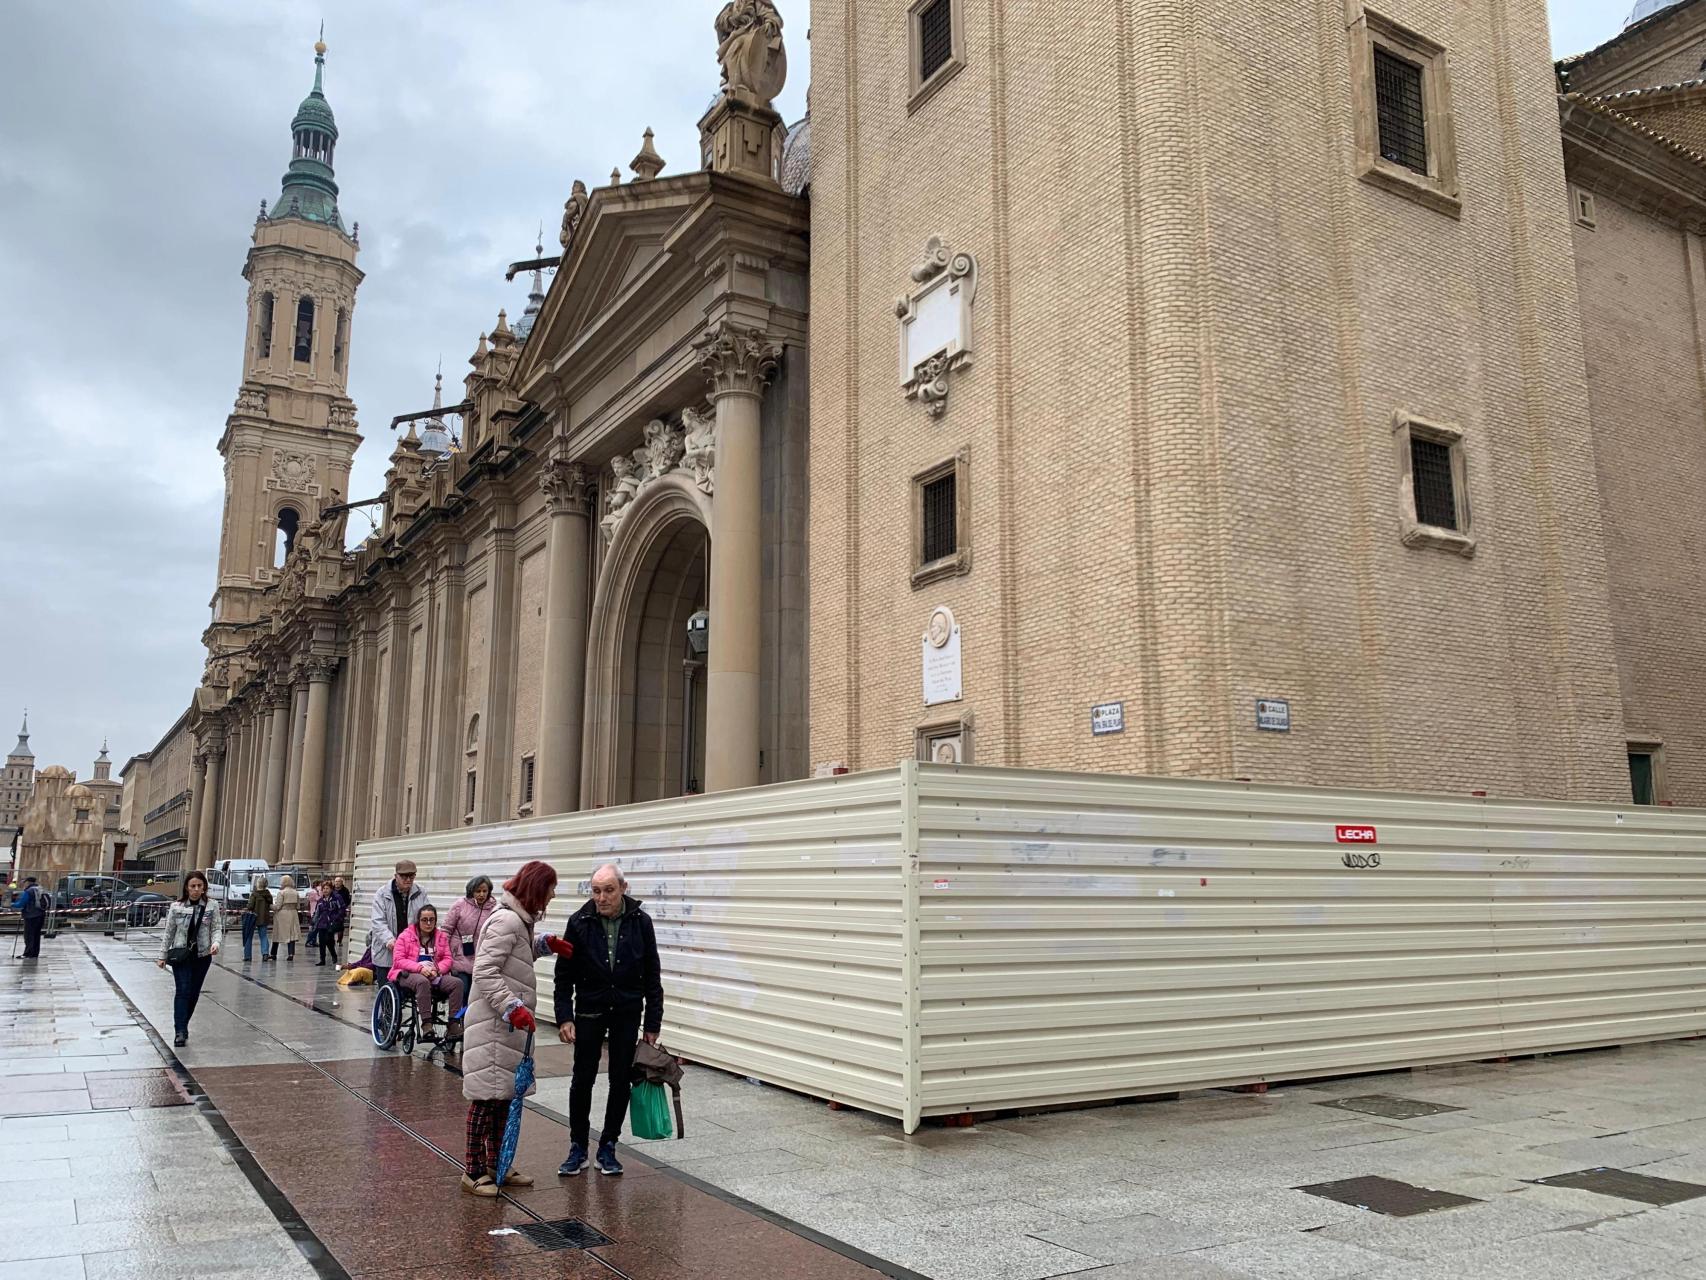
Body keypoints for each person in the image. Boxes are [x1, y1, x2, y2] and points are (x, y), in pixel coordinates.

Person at [461, 861, 573, 1197]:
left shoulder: (518, 920)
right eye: (549, 891)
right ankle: (472, 1171)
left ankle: (499, 1163)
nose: (551, 897)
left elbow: (514, 957)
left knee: (502, 1100)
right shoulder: (507, 920)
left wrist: (543, 945)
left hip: (506, 1030)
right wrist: (513, 1007)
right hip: (494, 1028)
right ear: (536, 890)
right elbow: (485, 971)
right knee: (484, 1101)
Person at [553, 863, 664, 1178]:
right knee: (582, 1078)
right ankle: (577, 1146)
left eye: (609, 890)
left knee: (620, 1079)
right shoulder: (579, 922)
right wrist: (564, 1017)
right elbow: (564, 976)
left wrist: (652, 1023)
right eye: (596, 891)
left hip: (627, 1011)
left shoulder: (641, 922)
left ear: (623, 888)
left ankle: (608, 1145)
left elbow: (652, 974)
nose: (602, 897)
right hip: (589, 1010)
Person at [157, 871, 222, 1046]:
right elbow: (169, 932)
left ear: (204, 888)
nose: (196, 889)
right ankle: (179, 1030)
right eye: (193, 886)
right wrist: (162, 955)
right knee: (183, 991)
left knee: (193, 993)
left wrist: (215, 943)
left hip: (202, 955)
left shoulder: (212, 906)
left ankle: (183, 1024)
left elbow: (216, 928)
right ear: (187, 887)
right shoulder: (176, 906)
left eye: (199, 886)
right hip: (181, 955)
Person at [389, 904, 463, 1035]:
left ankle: (453, 1023)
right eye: (424, 920)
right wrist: (419, 968)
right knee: (422, 982)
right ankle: (427, 1024)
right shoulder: (405, 936)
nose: (428, 923)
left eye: (432, 919)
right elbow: (398, 960)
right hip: (409, 974)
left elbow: (447, 958)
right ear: (418, 920)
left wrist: (437, 969)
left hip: (434, 974)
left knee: (457, 983)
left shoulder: (441, 937)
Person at [442, 875, 498, 1037]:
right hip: (459, 957)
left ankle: (468, 1025)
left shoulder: (494, 909)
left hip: (480, 959)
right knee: (463, 990)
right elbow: (446, 930)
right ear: (471, 891)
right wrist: (445, 954)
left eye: (484, 891)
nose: (481, 894)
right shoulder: (459, 905)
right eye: (478, 891)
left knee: (475, 998)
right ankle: (454, 1023)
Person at [369, 860, 427, 982]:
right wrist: (389, 940)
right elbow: (378, 921)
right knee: (387, 988)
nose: (408, 880)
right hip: (387, 951)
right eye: (404, 876)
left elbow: (426, 916)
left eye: (412, 876)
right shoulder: (382, 894)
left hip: (411, 950)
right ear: (396, 876)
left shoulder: (420, 893)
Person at [311, 884, 346, 967]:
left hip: (332, 922)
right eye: (324, 889)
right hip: (322, 922)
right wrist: (313, 922)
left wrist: (337, 918)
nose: (325, 890)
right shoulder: (320, 900)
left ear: (331, 889)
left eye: (327, 888)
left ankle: (333, 954)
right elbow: (317, 912)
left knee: (328, 940)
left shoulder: (336, 898)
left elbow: (342, 909)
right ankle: (322, 959)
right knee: (322, 941)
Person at [272, 875, 302, 962]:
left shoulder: (281, 893)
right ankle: (291, 954)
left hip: (282, 915)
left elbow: (278, 906)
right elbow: (298, 906)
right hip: (293, 914)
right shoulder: (296, 892)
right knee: (291, 935)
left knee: (277, 934)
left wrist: (270, 906)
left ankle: (273, 953)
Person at [17, 877, 47, 959]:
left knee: (29, 935)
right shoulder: (40, 889)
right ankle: (34, 953)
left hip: (31, 916)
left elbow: (21, 903)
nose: (24, 884)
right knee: (36, 935)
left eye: (24, 882)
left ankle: (27, 953)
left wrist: (12, 905)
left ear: (28, 882)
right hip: (41, 915)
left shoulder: (29, 891)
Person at [247, 876, 274, 962]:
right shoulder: (268, 894)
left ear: (258, 884)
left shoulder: (254, 894)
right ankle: (265, 954)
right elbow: (270, 903)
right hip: (264, 918)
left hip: (253, 918)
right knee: (263, 936)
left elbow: (250, 906)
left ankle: (247, 955)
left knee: (248, 937)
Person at [332, 876, 352, 957]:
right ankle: (332, 940)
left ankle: (339, 940)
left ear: (341, 882)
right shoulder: (332, 889)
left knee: (340, 926)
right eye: (336, 881)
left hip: (341, 910)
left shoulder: (345, 890)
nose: (337, 883)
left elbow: (348, 900)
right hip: (332, 910)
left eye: (338, 881)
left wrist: (343, 906)